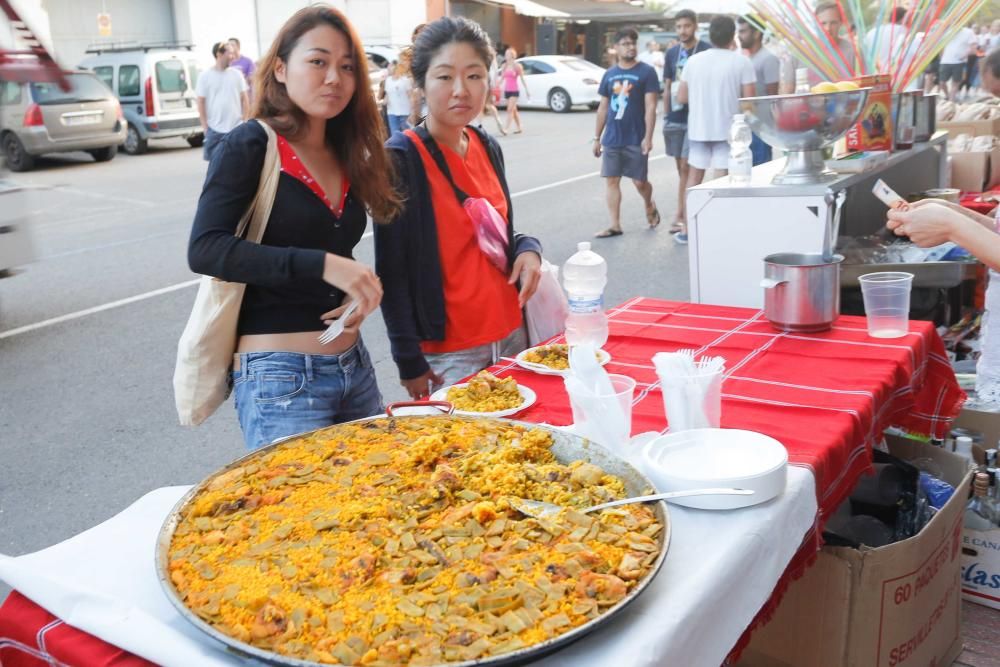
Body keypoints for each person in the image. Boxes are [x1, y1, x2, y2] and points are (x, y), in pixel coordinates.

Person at [187, 6, 400, 449]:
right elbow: (206, 249)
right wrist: (324, 265)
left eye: (347, 67)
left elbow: (324, 243)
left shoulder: (344, 152)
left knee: (377, 511)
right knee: (307, 515)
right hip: (280, 380)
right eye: (318, 61)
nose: (334, 78)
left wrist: (355, 288)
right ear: (281, 68)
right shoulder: (251, 143)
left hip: (353, 366)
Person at [376, 16, 542, 399]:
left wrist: (529, 248)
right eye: (445, 76)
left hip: (512, 335)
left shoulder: (487, 146)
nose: (461, 90)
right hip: (450, 355)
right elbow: (392, 270)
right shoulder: (401, 158)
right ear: (421, 82)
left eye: (474, 75)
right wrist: (408, 361)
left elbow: (497, 235)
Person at [676, 15, 756, 244]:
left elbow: (681, 97)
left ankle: (687, 229)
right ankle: (717, 227)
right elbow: (750, 100)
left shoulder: (694, 61)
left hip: (699, 128)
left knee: (694, 178)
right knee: (721, 178)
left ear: (710, 35)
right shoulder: (742, 62)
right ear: (733, 36)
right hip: (728, 130)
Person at [592, 27, 661, 239]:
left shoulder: (646, 72)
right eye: (625, 44)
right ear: (615, 48)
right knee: (612, 180)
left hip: (635, 136)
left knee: (639, 182)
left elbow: (651, 107)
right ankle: (615, 225)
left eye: (633, 43)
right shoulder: (609, 74)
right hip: (613, 137)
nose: (630, 47)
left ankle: (649, 203)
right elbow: (603, 107)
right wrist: (597, 138)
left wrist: (648, 138)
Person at [662, 9, 710, 233]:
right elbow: (667, 84)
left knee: (688, 166)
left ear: (695, 26)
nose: (683, 31)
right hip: (676, 116)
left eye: (687, 26)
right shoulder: (672, 53)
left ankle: (683, 214)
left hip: (696, 116)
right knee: (681, 169)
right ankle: (683, 211)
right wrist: (666, 113)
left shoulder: (705, 51)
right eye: (679, 27)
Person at [779, 2, 855, 93]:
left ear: (841, 23)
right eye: (823, 23)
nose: (828, 28)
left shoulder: (853, 51)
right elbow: (787, 93)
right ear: (816, 24)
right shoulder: (799, 52)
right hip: (806, 107)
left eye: (833, 23)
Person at [196, 41, 249, 162]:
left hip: (236, 128)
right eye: (229, 53)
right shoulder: (205, 76)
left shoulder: (237, 74)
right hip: (214, 129)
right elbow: (200, 102)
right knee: (215, 166)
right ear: (219, 54)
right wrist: (205, 127)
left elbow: (245, 99)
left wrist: (245, 121)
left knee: (239, 163)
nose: (233, 57)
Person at [737, 17, 778, 165]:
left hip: (761, 128)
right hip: (746, 126)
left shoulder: (768, 59)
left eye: (743, 31)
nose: (739, 35)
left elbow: (773, 96)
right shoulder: (746, 58)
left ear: (756, 33)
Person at [940, 24, 976, 100]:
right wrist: (942, 56)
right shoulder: (947, 32)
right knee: (942, 82)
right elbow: (941, 46)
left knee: (955, 83)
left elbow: (973, 47)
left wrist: (964, 55)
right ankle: (948, 96)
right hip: (945, 61)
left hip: (959, 62)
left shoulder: (968, 32)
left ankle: (951, 101)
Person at [500, 47, 529, 133]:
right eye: (505, 54)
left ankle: (506, 128)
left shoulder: (517, 66)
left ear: (512, 55)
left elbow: (522, 78)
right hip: (507, 90)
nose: (506, 56)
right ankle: (520, 127)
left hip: (514, 90)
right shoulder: (504, 66)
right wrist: (496, 86)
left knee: (509, 109)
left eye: (507, 54)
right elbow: (502, 78)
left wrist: (527, 90)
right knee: (514, 110)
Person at [382, 59, 413, 135]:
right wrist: (384, 102)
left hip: (405, 113)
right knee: (395, 137)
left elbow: (411, 96)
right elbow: (388, 94)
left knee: (408, 136)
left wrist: (413, 112)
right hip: (392, 113)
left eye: (390, 66)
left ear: (396, 67)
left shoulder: (405, 80)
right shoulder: (388, 80)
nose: (388, 68)